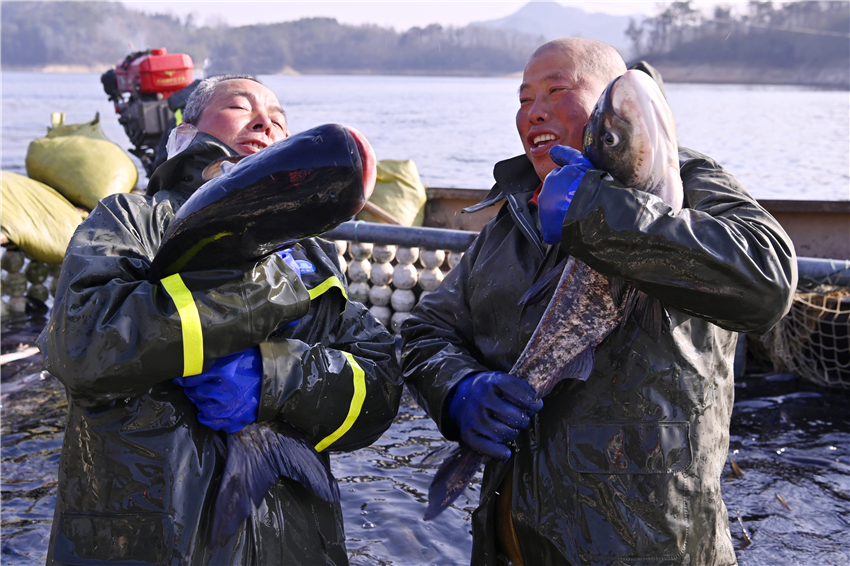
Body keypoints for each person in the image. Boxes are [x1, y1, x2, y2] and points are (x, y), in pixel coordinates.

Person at [401, 38, 797, 565]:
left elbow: (767, 280)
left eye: (556, 90)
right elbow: (428, 330)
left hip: (648, 545)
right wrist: (459, 389)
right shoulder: (510, 221)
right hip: (508, 539)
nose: (533, 111)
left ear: (610, 99)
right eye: (523, 99)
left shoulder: (683, 181)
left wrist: (596, 207)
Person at [38, 75, 402, 565]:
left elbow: (381, 382)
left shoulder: (312, 257)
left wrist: (279, 377)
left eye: (278, 119)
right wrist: (263, 290)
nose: (264, 122)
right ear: (186, 134)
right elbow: (81, 343)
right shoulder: (134, 219)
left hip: (293, 546)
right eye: (239, 106)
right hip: (151, 542)